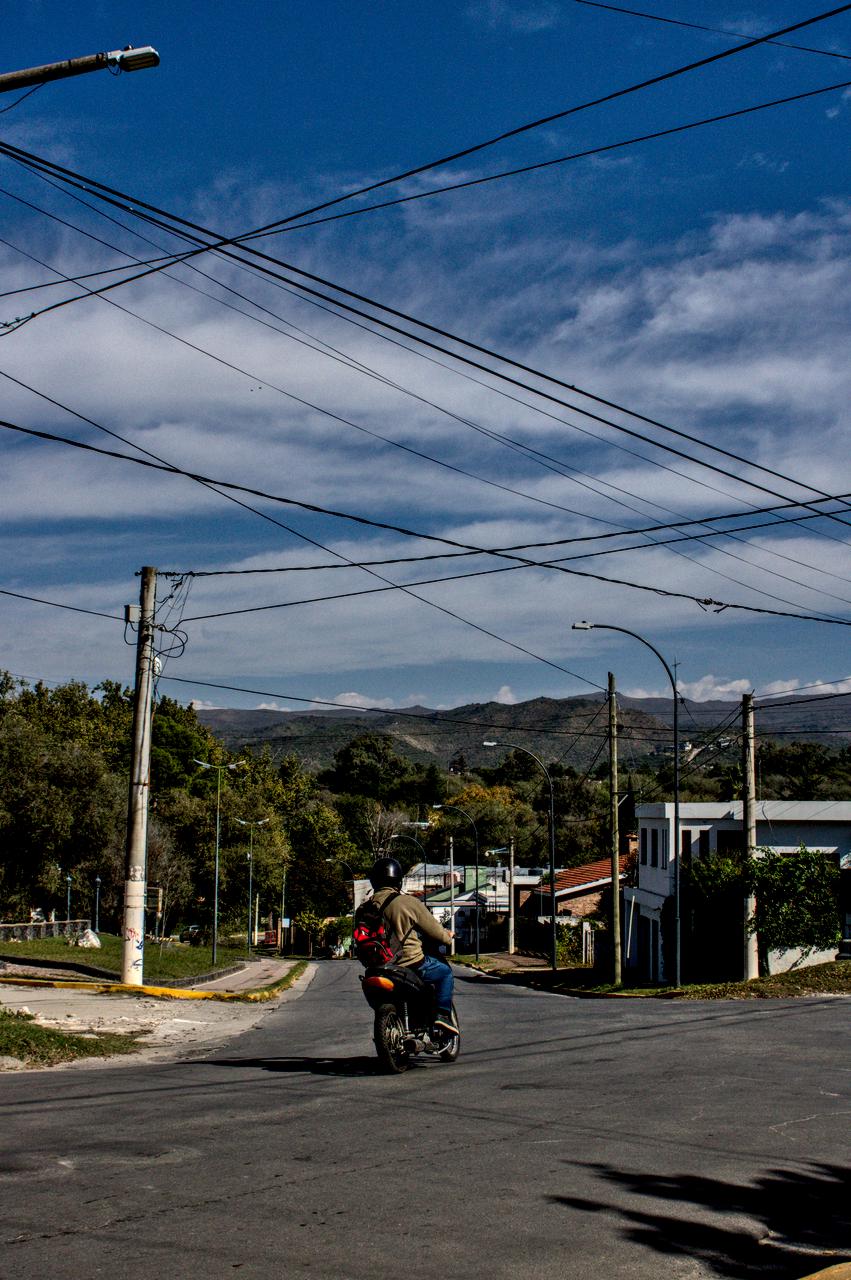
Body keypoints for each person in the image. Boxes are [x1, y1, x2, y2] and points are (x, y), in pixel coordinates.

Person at [360, 855, 456, 1034]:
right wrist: (448, 937)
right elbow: (436, 932)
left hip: (376, 968)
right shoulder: (408, 902)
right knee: (445, 973)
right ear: (399, 881)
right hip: (409, 964)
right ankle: (443, 1015)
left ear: (374, 881)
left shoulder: (363, 909)